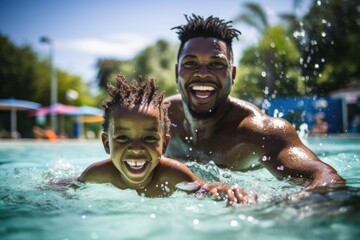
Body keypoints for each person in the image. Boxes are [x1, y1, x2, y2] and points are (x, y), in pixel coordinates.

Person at [165, 14, 345, 190]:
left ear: (232, 74)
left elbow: (326, 177)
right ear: (176, 73)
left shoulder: (259, 132)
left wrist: (291, 206)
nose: (203, 73)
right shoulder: (159, 117)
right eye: (190, 63)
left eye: (217, 64)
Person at [78, 74, 255, 205]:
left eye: (149, 138)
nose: (137, 148)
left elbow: (205, 188)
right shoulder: (97, 174)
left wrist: (223, 190)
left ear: (164, 145)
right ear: (107, 144)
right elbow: (67, 190)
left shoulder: (173, 174)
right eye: (123, 138)